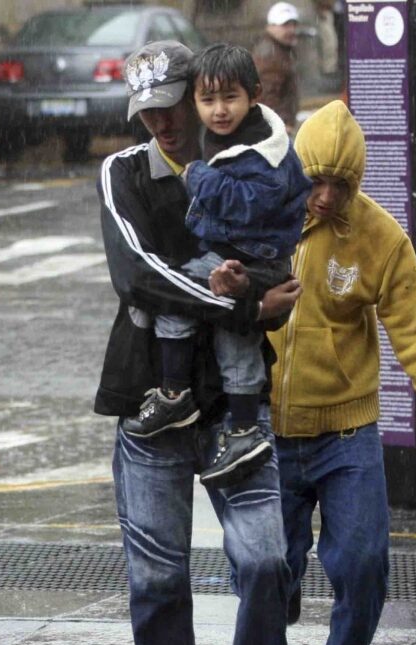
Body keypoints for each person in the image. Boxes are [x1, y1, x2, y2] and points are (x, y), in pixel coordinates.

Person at [97, 39, 303, 645]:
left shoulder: (251, 161)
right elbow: (136, 276)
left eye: (171, 105)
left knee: (268, 565)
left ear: (205, 94)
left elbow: (281, 257)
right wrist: (241, 305)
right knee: (157, 581)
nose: (160, 123)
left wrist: (263, 287)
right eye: (145, 111)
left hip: (235, 407)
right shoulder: (123, 172)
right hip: (151, 395)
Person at [272, 100, 416, 645]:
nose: (327, 196)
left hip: (347, 430)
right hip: (269, 432)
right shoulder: (261, 215)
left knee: (364, 568)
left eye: (343, 185)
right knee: (265, 573)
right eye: (316, 181)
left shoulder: (380, 237)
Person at [122, 42, 312, 487]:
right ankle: (231, 422)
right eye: (209, 100)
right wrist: (253, 308)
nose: (219, 110)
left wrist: (200, 176)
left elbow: (250, 204)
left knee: (187, 302)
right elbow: (133, 274)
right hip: (246, 260)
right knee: (232, 332)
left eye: (229, 98)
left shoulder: (257, 151)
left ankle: (186, 399)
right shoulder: (130, 170)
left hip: (253, 258)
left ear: (253, 95)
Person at [253, 1, 301, 130]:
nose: (291, 30)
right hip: (276, 127)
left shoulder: (282, 49)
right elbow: (267, 94)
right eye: (285, 25)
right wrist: (279, 124)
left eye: (293, 25)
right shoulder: (269, 54)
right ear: (271, 27)